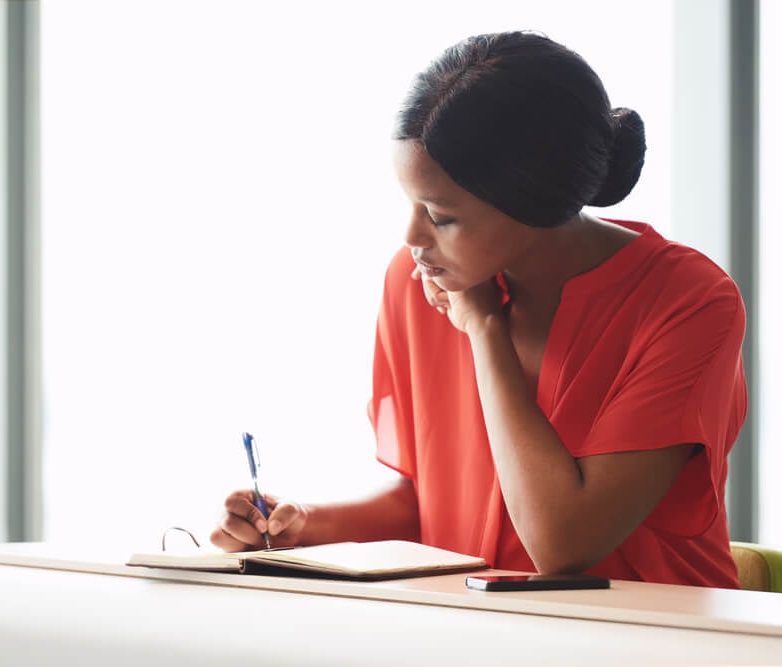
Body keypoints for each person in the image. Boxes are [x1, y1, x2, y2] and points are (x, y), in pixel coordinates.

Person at [210, 31, 746, 588]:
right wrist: (302, 527)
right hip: (476, 631)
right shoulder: (416, 279)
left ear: (534, 205)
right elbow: (434, 500)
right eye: (410, 203)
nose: (413, 237)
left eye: (440, 216)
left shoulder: (688, 303)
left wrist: (486, 330)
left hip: (658, 636)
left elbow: (563, 544)